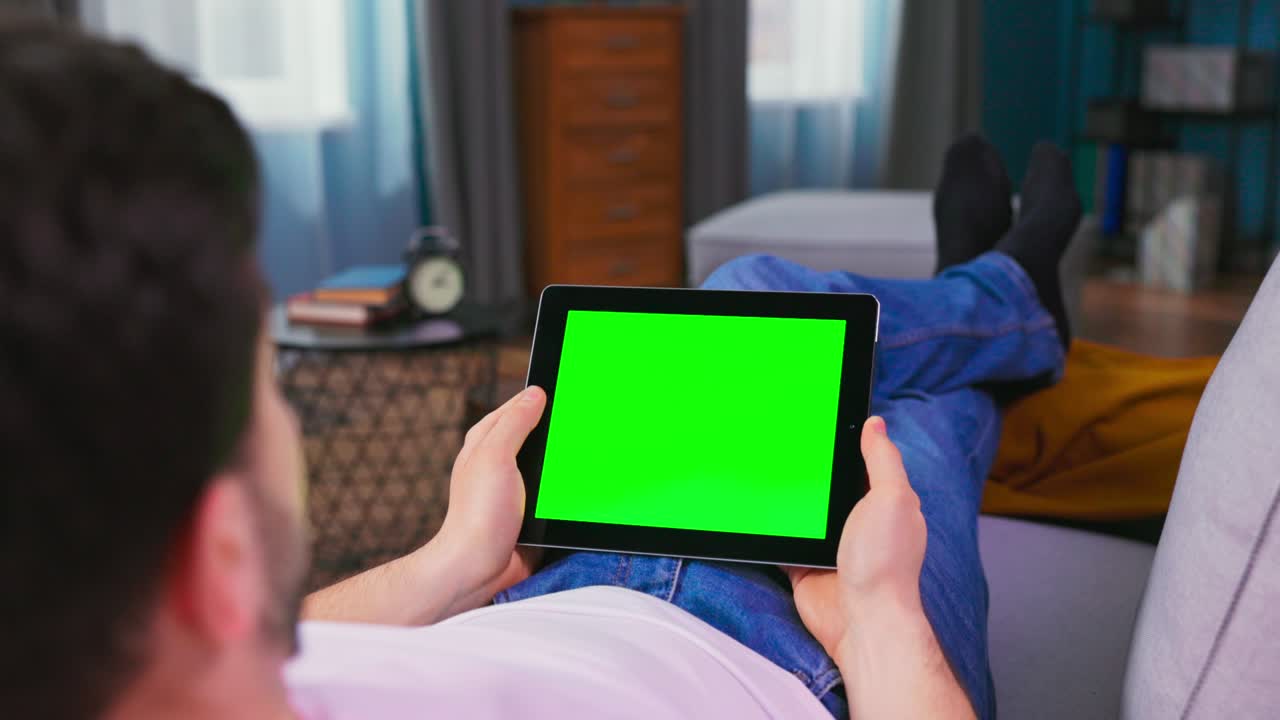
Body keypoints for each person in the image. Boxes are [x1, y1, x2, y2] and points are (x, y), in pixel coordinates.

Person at [0, 25, 1080, 720]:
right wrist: (881, 622)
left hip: (541, 579)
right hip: (808, 649)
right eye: (267, 389)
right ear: (222, 552)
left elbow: (294, 639)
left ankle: (999, 296)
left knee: (753, 299)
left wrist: (451, 561)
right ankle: (1004, 297)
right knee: (913, 417)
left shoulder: (133, 665)